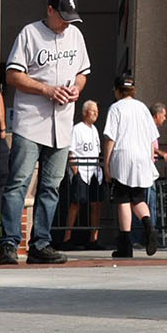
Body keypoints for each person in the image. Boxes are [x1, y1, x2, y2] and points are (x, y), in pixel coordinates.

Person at [1, 0, 90, 264]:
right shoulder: (30, 33)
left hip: (62, 124)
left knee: (52, 186)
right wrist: (46, 90)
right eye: (63, 17)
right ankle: (9, 244)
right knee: (19, 182)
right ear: (50, 10)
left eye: (70, 18)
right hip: (31, 121)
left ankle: (40, 243)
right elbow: (13, 74)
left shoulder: (75, 35)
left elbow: (83, 73)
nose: (66, 23)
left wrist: (76, 88)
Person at [103, 79, 167, 258]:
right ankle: (149, 226)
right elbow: (151, 136)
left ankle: (125, 244)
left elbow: (110, 138)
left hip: (123, 156)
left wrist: (106, 164)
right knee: (138, 198)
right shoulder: (142, 108)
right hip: (142, 157)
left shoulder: (116, 108)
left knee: (123, 199)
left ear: (117, 91)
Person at [65, 97, 105, 250]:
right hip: (81, 170)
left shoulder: (94, 130)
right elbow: (71, 151)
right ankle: (67, 237)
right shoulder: (77, 129)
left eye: (97, 111)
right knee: (76, 203)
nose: (96, 114)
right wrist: (75, 172)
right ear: (85, 112)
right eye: (93, 111)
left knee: (96, 204)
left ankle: (93, 238)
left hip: (94, 171)